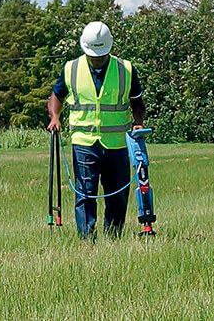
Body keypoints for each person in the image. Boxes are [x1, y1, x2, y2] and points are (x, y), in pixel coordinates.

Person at [47, 21, 146, 239]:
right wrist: (55, 116)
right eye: (93, 55)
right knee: (85, 192)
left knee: (118, 195)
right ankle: (86, 239)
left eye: (101, 54)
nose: (97, 58)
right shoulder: (71, 68)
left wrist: (138, 121)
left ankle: (113, 237)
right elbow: (56, 96)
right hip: (83, 142)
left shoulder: (126, 69)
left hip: (118, 143)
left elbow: (137, 102)